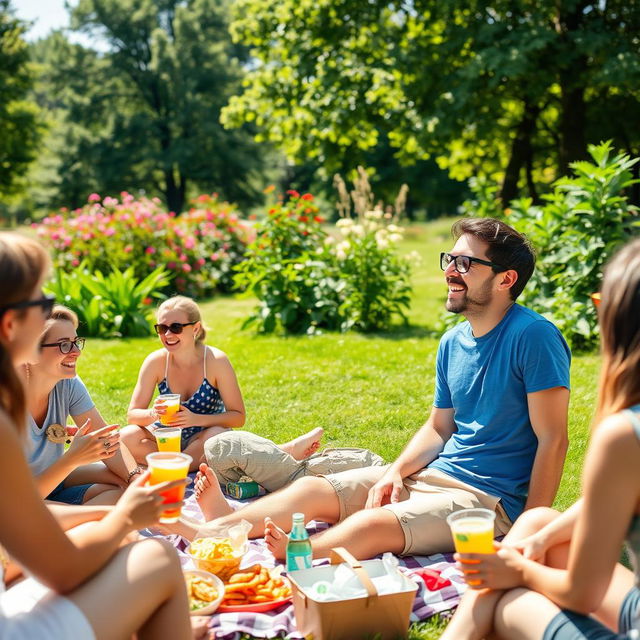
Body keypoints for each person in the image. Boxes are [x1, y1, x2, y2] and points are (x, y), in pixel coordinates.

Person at [182, 217, 572, 562]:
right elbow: (439, 428)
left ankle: (301, 552)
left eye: (466, 263)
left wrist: (528, 530)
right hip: (434, 475)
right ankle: (219, 529)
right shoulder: (453, 342)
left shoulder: (534, 337)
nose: (451, 271)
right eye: (450, 260)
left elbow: (552, 440)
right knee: (315, 491)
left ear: (506, 279)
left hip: (487, 501)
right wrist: (396, 473)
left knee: (373, 524)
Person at [0, 231, 206, 639]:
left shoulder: (59, 388)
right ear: (10, 323)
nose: (72, 349)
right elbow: (63, 569)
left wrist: (130, 484)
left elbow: (106, 438)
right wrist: (125, 516)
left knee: (121, 522)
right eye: (41, 303)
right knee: (157, 557)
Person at [440, 237, 640, 640]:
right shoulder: (453, 343)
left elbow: (582, 594)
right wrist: (538, 539)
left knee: (510, 598)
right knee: (538, 521)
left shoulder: (625, 435)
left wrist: (518, 570)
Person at [121, 295, 346, 470]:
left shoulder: (216, 361)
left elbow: (238, 417)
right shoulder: (156, 362)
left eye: (176, 328)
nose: (168, 334)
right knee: (127, 436)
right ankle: (187, 466)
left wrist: (195, 419)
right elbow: (133, 415)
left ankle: (169, 467)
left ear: (196, 328)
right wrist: (155, 414)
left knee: (217, 437)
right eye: (162, 328)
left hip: (205, 438)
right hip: (167, 438)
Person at [22, 305, 141, 505]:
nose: (76, 352)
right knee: (116, 511)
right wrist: (72, 458)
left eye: (76, 342)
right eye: (64, 345)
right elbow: (18, 502)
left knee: (125, 488)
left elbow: (106, 439)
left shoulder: (67, 384)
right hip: (20, 501)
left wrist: (135, 478)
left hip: (55, 479)